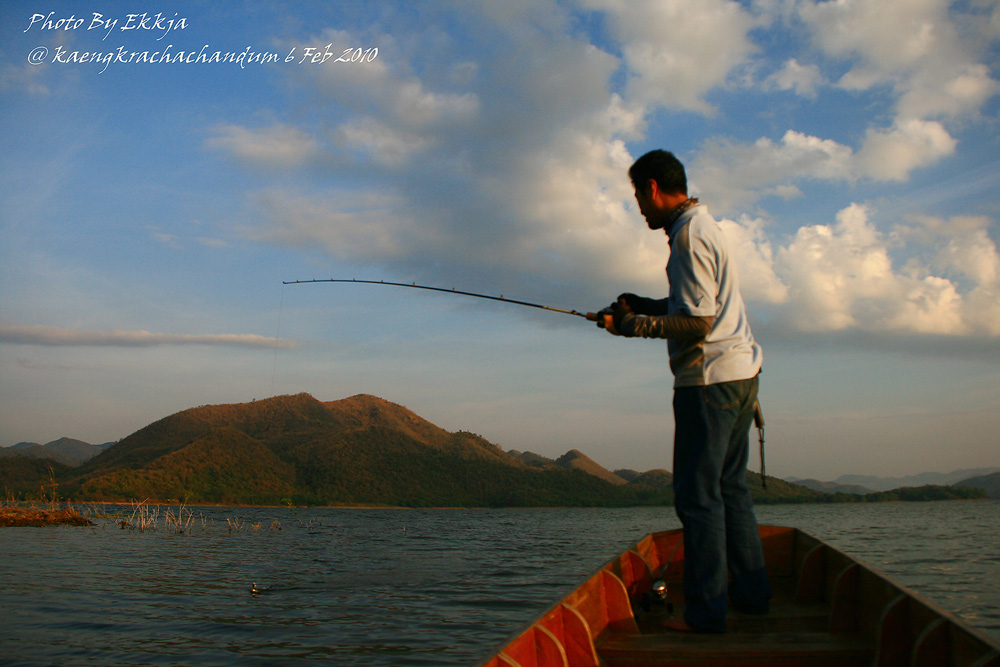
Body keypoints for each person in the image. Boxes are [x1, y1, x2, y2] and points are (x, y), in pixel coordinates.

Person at [599, 149, 770, 633]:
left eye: (637, 195)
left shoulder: (688, 238)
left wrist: (633, 326)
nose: (638, 207)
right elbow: (694, 305)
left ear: (652, 188)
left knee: (697, 498)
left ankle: (707, 615)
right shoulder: (705, 226)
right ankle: (753, 598)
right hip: (742, 376)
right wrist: (643, 304)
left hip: (709, 382)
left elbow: (697, 322)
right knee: (730, 488)